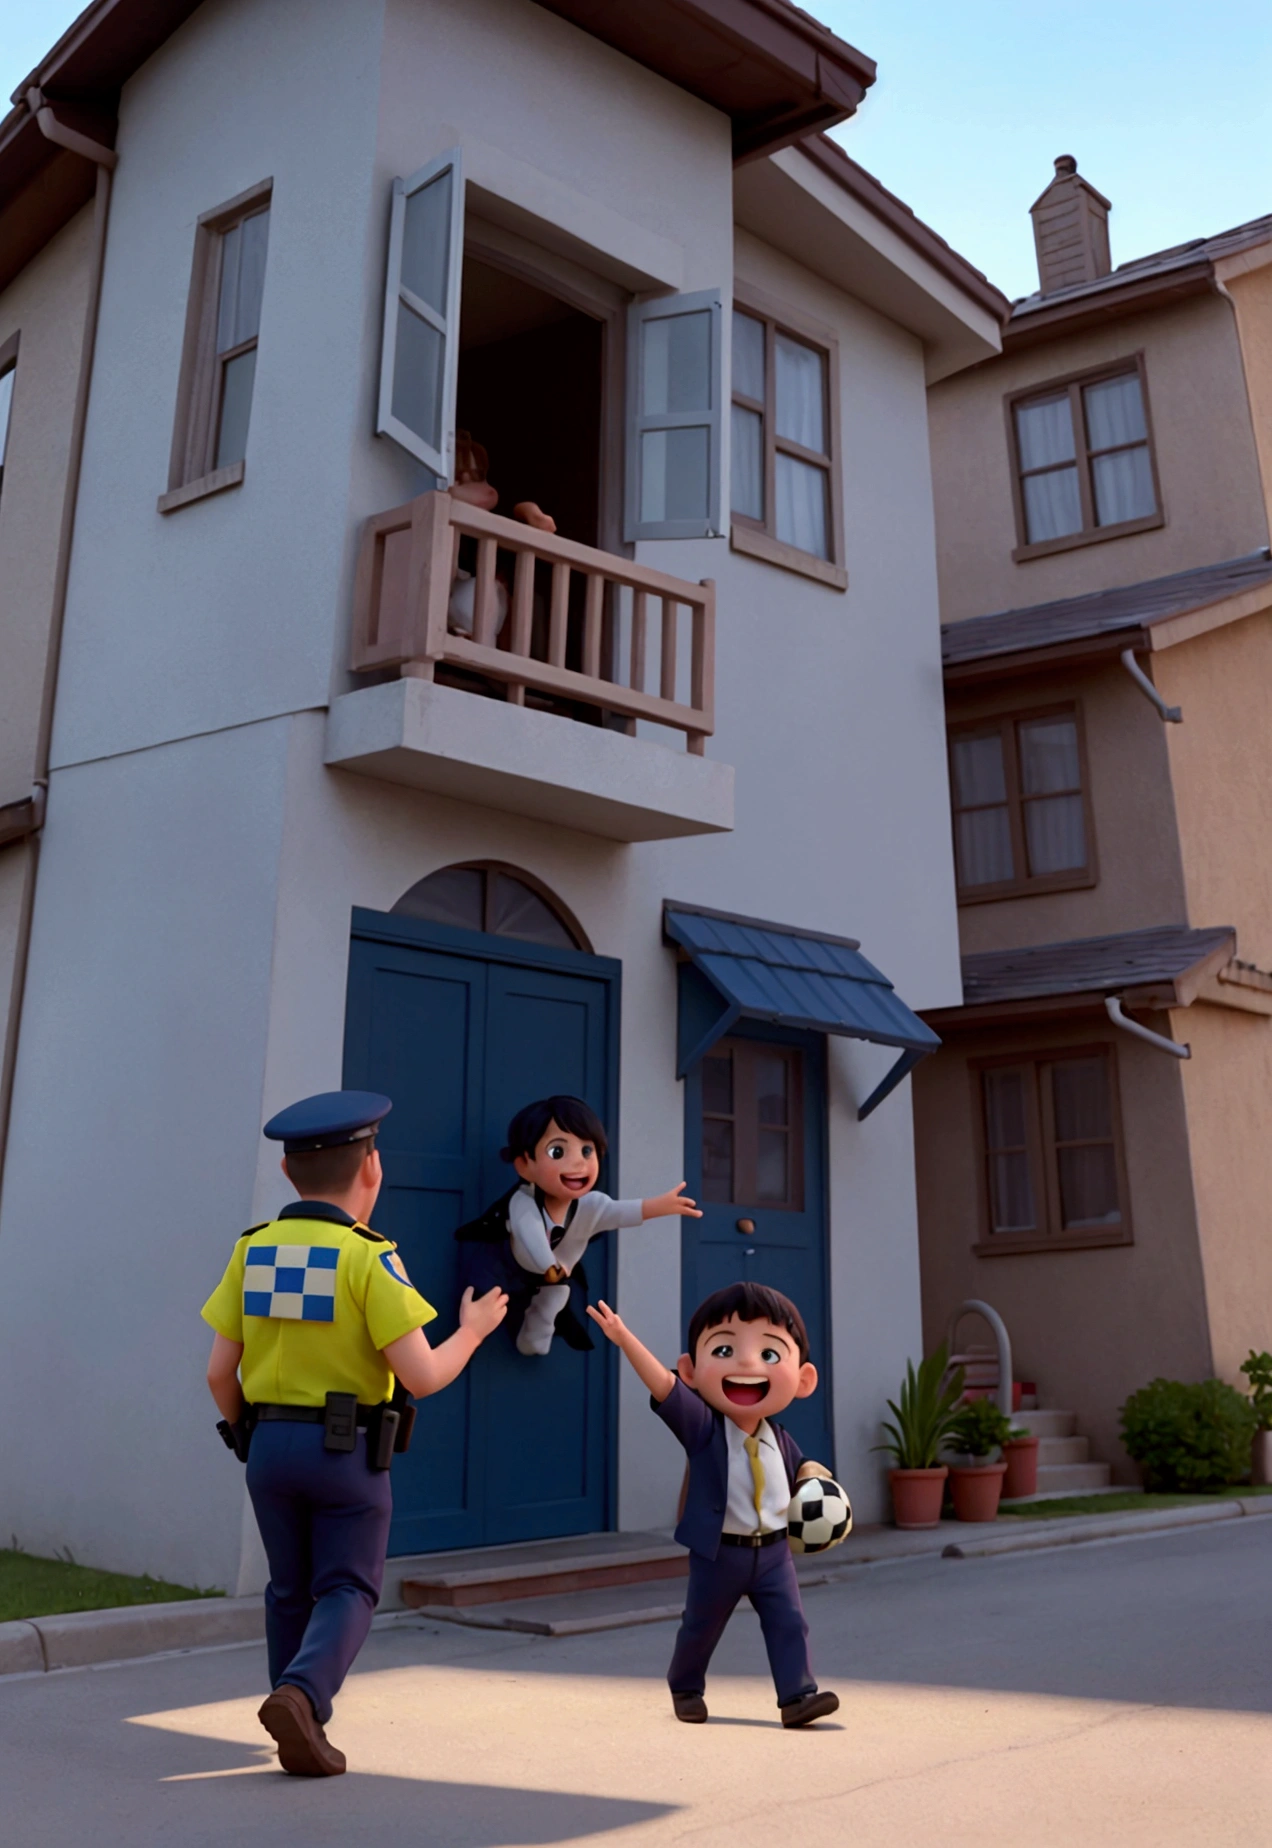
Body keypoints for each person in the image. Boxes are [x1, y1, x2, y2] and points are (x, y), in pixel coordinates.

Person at [202, 1090, 507, 1777]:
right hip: (346, 1453)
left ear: (286, 1176)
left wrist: (244, 1431)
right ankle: (304, 1698)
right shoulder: (370, 1258)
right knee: (348, 1587)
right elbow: (422, 1375)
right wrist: (474, 1330)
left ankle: (295, 1718)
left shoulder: (252, 1251)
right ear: (372, 1169)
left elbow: (222, 1371)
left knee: (289, 1588)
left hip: (268, 1446)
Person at [587, 1281, 840, 1728]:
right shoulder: (703, 1429)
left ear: (803, 1379)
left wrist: (817, 1479)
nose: (746, 1363)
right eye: (724, 1351)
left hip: (775, 1552)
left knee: (789, 1622)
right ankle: (685, 1686)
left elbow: (802, 1467)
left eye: (769, 1354)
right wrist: (626, 1339)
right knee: (702, 1625)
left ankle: (798, 1696)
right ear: (691, 1370)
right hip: (721, 1552)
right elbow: (663, 1387)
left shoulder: (778, 1439)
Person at [458, 1095, 700, 1357]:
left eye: (587, 1151)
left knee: (558, 1296)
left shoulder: (591, 1206)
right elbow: (531, 1235)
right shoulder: (523, 1202)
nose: (578, 1163)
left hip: (554, 1275)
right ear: (525, 1165)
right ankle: (471, 1333)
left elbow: (620, 1211)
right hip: (507, 1262)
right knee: (486, 1292)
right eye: (558, 1152)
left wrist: (660, 1206)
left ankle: (534, 1336)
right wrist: (548, 1266)